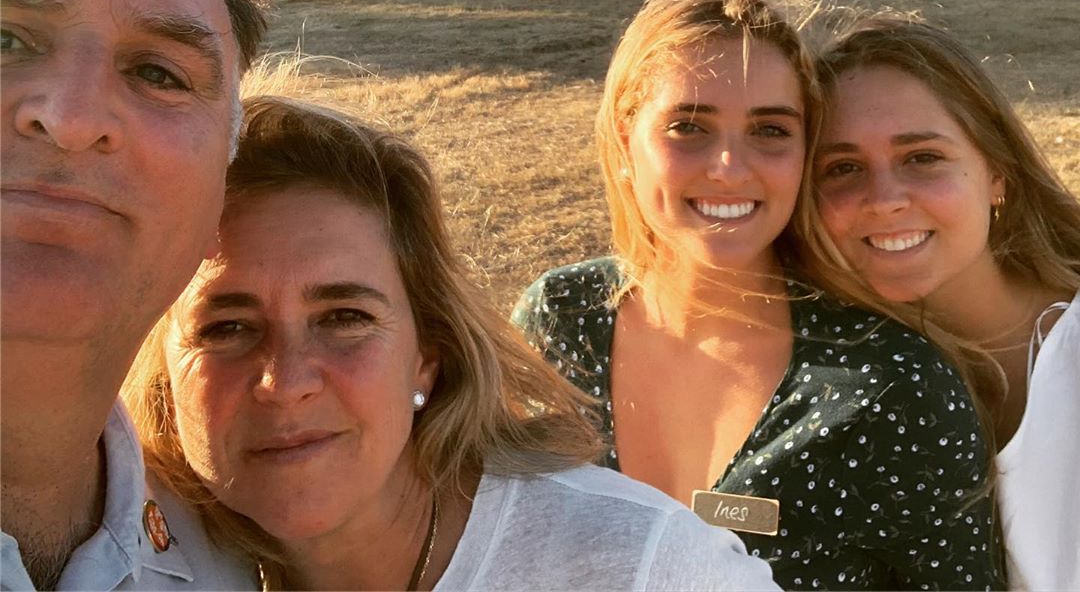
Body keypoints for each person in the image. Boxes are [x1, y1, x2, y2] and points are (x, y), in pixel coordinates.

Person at [124, 95, 778, 592]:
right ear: (164, 374)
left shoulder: (639, 568)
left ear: (427, 355)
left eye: (345, 318)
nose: (286, 379)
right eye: (227, 329)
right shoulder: (129, 560)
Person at [513, 0, 1003, 590]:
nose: (728, 168)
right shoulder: (562, 319)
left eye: (770, 131)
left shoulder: (888, 388)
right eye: (688, 126)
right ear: (623, 142)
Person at [0, 0, 270, 588]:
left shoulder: (235, 562)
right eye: (3, 38)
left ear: (222, 188)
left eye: (159, 72)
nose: (73, 115)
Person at [811, 16, 1080, 591]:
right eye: (842, 169)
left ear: (996, 173)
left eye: (922, 157)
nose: (883, 201)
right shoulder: (820, 384)